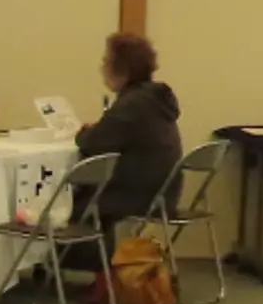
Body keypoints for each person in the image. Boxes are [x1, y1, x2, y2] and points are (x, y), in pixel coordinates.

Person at [73, 32, 183, 232]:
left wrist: (83, 132)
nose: (102, 68)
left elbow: (92, 144)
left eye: (106, 61)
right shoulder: (154, 99)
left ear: (122, 69)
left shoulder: (132, 104)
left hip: (137, 197)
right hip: (163, 194)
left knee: (69, 202)